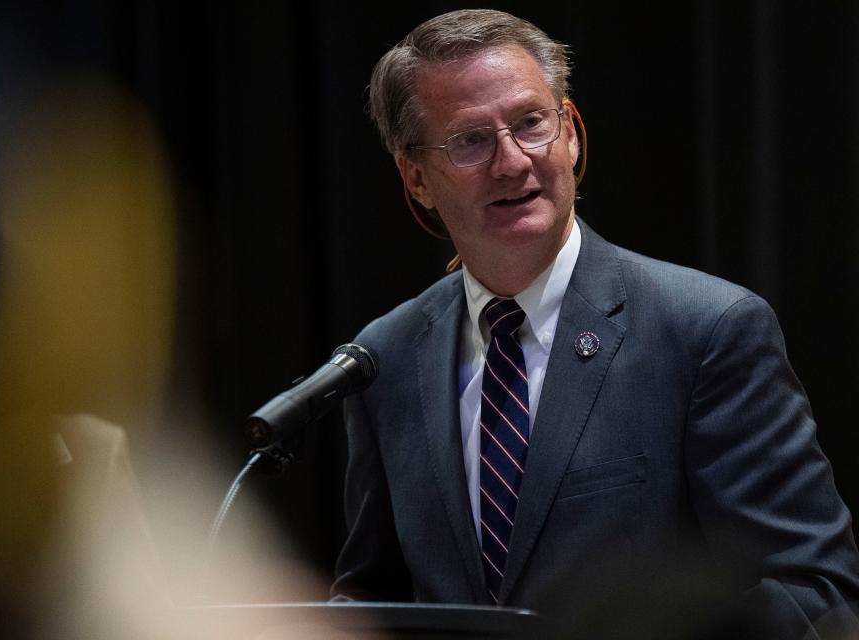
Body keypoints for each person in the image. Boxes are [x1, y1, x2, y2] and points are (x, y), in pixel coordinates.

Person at [331, 9, 859, 639]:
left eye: (531, 123)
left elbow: (814, 595)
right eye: (470, 140)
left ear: (572, 133)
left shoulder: (706, 331)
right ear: (415, 176)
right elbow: (371, 599)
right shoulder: (383, 358)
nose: (511, 162)